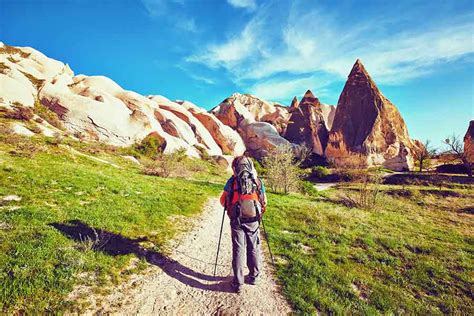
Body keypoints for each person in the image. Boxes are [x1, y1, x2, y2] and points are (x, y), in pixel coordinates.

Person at [219, 155, 267, 294]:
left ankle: (238, 283)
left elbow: (223, 200)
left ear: (235, 168)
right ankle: (253, 276)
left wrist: (230, 207)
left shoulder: (232, 181)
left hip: (237, 220)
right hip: (253, 219)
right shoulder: (258, 181)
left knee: (238, 249)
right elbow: (264, 201)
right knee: (253, 246)